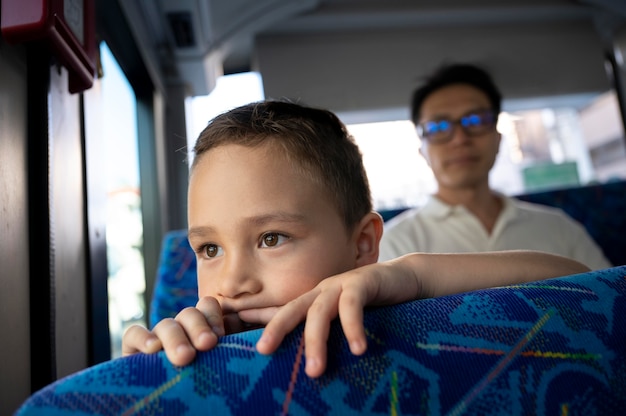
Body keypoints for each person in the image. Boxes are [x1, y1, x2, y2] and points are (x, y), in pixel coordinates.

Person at [122, 100, 590, 379]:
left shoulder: (397, 311)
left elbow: (591, 291)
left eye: (271, 238)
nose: (234, 282)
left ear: (363, 244)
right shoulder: (204, 356)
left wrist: (413, 277)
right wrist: (156, 378)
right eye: (210, 249)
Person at [379, 63, 612, 270]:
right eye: (439, 127)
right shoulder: (395, 245)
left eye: (476, 120)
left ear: (499, 138)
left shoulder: (559, 228)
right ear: (423, 150)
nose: (460, 138)